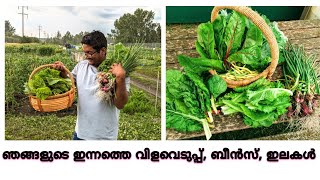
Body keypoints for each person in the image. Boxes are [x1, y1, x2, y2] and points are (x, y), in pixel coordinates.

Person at [53, 30, 129, 140]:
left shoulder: (118, 71)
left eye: (90, 53)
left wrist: (120, 78)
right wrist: (62, 71)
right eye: (85, 53)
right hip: (80, 134)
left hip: (104, 138)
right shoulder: (81, 66)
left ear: (103, 50)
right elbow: (71, 82)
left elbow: (120, 104)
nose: (87, 56)